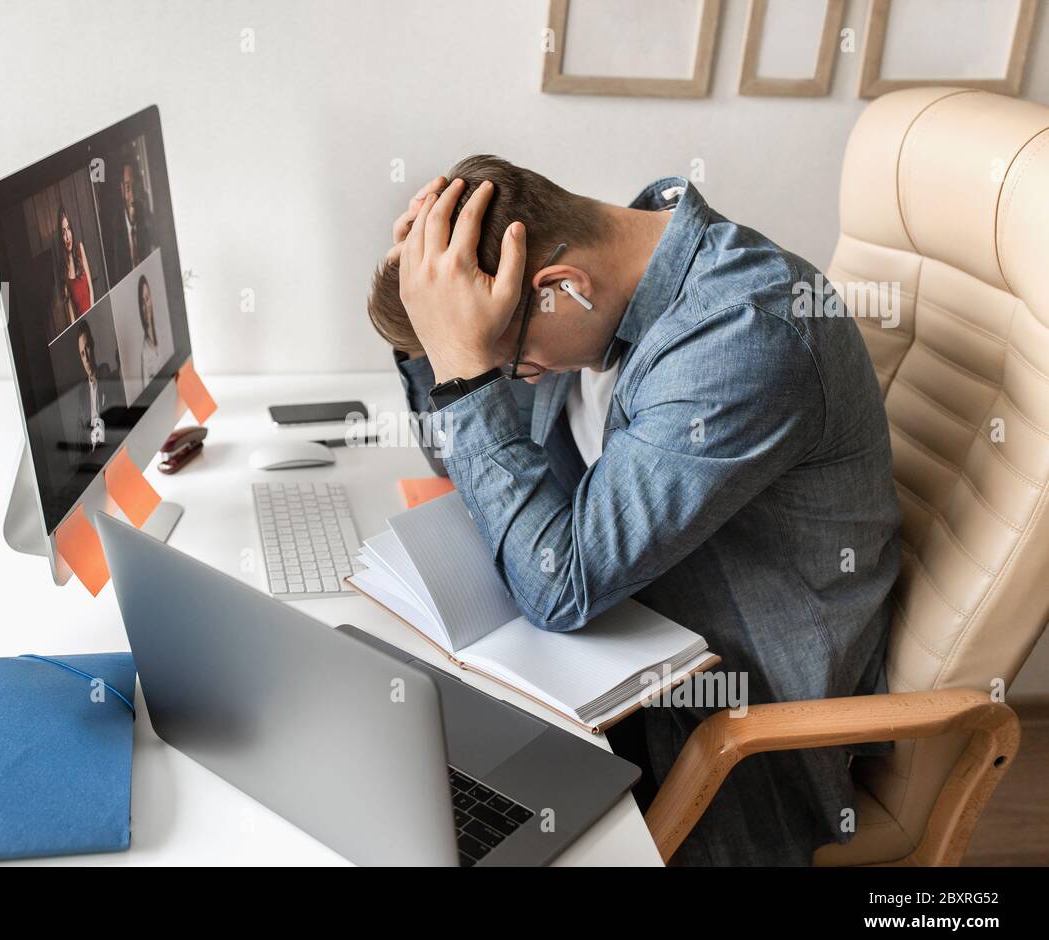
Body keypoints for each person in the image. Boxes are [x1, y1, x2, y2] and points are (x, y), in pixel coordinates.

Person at [366, 156, 902, 866]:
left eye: (515, 365)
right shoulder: (610, 284)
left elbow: (558, 586)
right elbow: (477, 465)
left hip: (722, 734)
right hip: (617, 664)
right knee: (392, 756)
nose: (521, 380)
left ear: (562, 288)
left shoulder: (742, 338)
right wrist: (429, 331)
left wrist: (468, 376)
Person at [75, 322, 124, 454]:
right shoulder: (82, 392)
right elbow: (81, 438)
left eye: (88, 348)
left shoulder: (106, 373)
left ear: (93, 345)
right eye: (82, 354)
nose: (86, 358)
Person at [108, 156, 154, 282]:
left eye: (134, 187)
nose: (132, 195)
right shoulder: (116, 225)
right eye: (128, 187)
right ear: (122, 189)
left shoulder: (145, 213)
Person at [54, 203, 94, 329]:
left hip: (93, 315)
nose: (67, 237)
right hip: (81, 326)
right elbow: (70, 308)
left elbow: (91, 289)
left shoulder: (80, 249)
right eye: (63, 232)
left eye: (69, 229)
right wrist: (76, 331)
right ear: (61, 237)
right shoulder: (64, 270)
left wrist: (94, 314)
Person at [137, 274, 164, 383]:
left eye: (147, 298)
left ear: (151, 300)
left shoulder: (160, 332)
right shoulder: (145, 353)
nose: (146, 305)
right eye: (142, 302)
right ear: (140, 307)